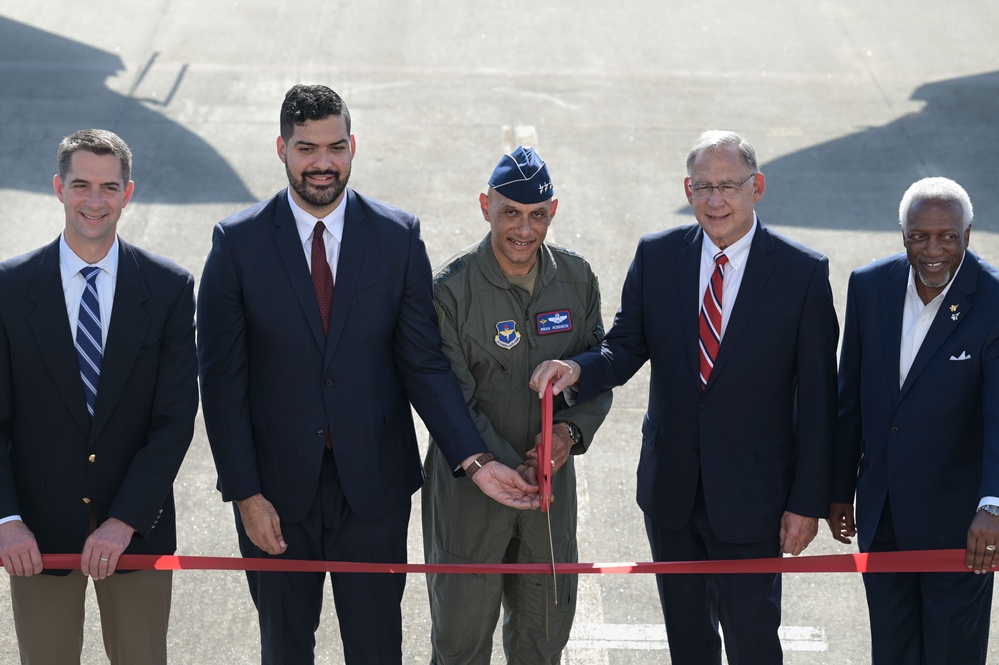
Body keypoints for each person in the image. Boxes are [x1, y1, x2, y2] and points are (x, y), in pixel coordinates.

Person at [197, 84, 540, 665]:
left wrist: (475, 460)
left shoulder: (397, 237)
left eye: (335, 146)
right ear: (281, 148)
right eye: (306, 148)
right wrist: (246, 494)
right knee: (283, 648)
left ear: (353, 146)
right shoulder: (237, 244)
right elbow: (221, 381)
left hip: (374, 490)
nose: (322, 163)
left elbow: (424, 364)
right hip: (277, 493)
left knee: (378, 647)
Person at [530, 130, 839, 664]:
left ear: (757, 188)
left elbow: (818, 402)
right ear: (687, 189)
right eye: (703, 187)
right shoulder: (658, 256)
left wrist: (806, 503)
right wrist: (573, 370)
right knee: (689, 642)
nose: (715, 200)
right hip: (672, 491)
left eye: (728, 186)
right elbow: (624, 348)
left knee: (752, 639)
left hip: (754, 498)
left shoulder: (801, 274)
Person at [0, 129, 198, 664]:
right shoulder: (9, 288)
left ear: (127, 193)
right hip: (36, 537)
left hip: (137, 529)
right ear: (58, 189)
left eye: (109, 187)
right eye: (81, 185)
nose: (95, 201)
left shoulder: (169, 287)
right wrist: (6, 519)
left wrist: (126, 518)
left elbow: (175, 418)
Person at [423, 146, 612, 664]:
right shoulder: (450, 291)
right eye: (510, 212)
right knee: (460, 644)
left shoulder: (577, 280)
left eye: (537, 215)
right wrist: (501, 463)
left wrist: (566, 438)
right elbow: (450, 399)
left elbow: (596, 373)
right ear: (485, 206)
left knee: (543, 639)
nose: (523, 229)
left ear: (553, 212)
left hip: (548, 490)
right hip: (470, 493)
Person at [829, 177, 999, 664]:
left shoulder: (993, 301)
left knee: (951, 653)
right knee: (893, 650)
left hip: (963, 526)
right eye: (919, 236)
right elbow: (851, 397)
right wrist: (842, 488)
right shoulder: (868, 286)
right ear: (902, 234)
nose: (933, 250)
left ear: (969, 234)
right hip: (882, 514)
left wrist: (994, 504)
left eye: (947, 236)